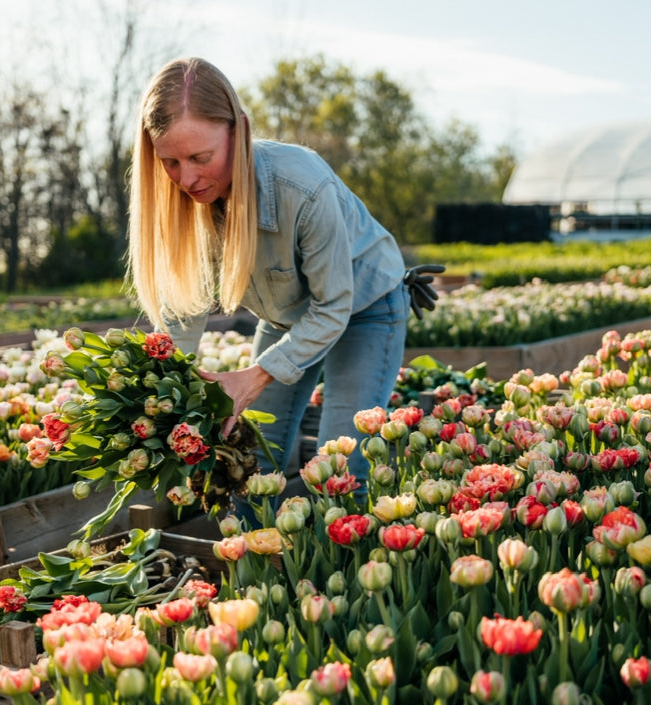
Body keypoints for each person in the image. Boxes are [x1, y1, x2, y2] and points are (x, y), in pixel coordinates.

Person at [128, 56, 432, 491]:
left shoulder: (302, 187)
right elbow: (182, 311)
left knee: (340, 465)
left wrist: (253, 378)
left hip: (365, 309)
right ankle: (255, 553)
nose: (187, 178)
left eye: (200, 157)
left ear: (239, 130)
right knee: (251, 459)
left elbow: (332, 308)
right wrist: (169, 390)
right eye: (170, 162)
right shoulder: (184, 202)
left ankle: (339, 557)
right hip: (286, 317)